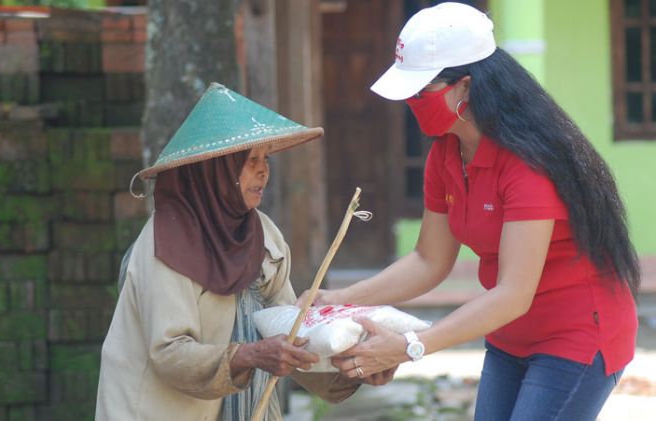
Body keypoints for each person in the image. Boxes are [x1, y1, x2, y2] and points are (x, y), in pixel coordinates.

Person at [301, 3, 641, 420]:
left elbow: (513, 293)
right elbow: (429, 260)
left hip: (576, 336)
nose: (410, 102)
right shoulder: (446, 153)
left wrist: (411, 346)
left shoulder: (527, 164)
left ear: (464, 86)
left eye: (420, 92)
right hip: (507, 334)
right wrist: (338, 301)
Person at [95, 83, 382, 421]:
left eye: (265, 159)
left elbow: (291, 337)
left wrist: (357, 366)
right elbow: (169, 354)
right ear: (213, 170)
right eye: (248, 161)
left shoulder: (265, 236)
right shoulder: (166, 242)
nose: (262, 171)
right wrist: (248, 356)